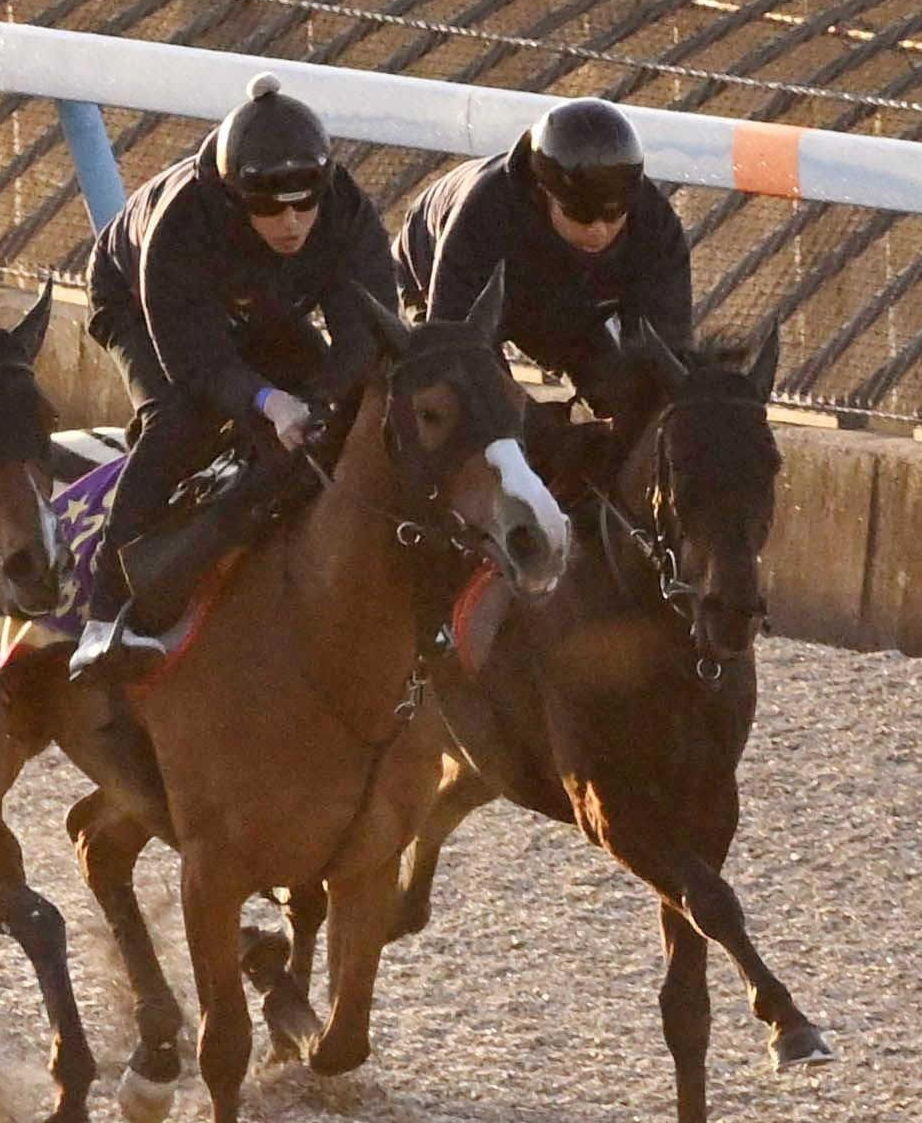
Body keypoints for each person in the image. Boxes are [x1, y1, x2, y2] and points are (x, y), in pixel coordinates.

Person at [68, 72, 404, 679]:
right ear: (231, 197)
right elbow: (193, 361)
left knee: (340, 403)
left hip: (258, 301)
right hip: (138, 301)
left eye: (305, 203)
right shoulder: (182, 222)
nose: (292, 223)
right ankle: (104, 616)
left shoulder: (346, 212)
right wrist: (267, 400)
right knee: (178, 417)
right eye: (267, 207)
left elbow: (366, 338)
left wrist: (320, 399)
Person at [389, 96, 692, 422]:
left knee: (623, 394)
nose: (600, 232)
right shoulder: (483, 213)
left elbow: (666, 352)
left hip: (566, 299)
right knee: (473, 407)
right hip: (439, 274)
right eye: (582, 216)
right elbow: (454, 347)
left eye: (615, 216)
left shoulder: (655, 223)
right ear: (542, 193)